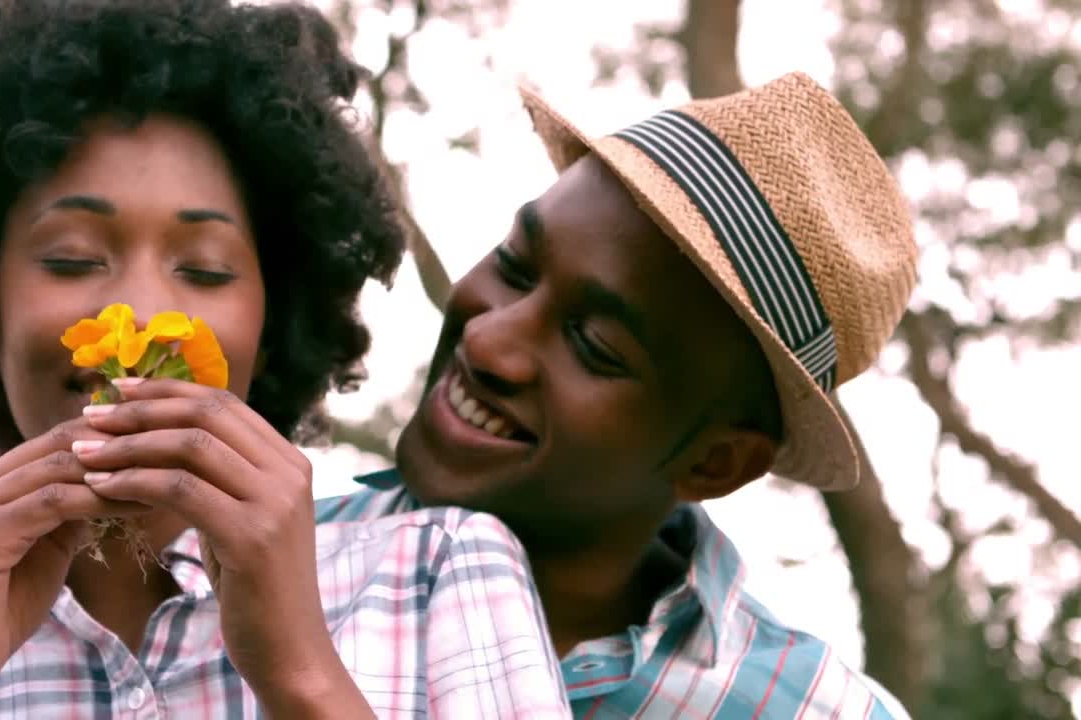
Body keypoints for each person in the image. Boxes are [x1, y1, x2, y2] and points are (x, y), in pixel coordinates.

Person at [0, 1, 570, 717]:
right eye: (71, 260)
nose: (140, 316)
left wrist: (301, 673)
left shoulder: (438, 573)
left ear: (272, 324)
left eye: (203, 270)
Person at [318, 71, 918, 718]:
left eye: (595, 346)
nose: (490, 342)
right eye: (515, 268)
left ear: (716, 463)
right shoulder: (242, 569)